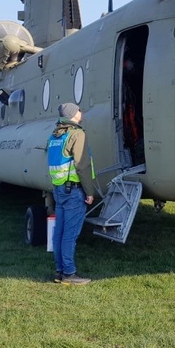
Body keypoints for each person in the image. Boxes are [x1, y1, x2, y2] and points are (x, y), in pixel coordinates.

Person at [47, 102, 95, 286]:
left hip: (59, 189)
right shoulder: (77, 134)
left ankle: (60, 271)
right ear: (74, 114)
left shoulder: (56, 134)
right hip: (74, 191)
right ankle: (69, 273)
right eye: (79, 110)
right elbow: (81, 164)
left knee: (59, 233)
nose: (81, 112)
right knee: (70, 235)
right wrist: (89, 191)